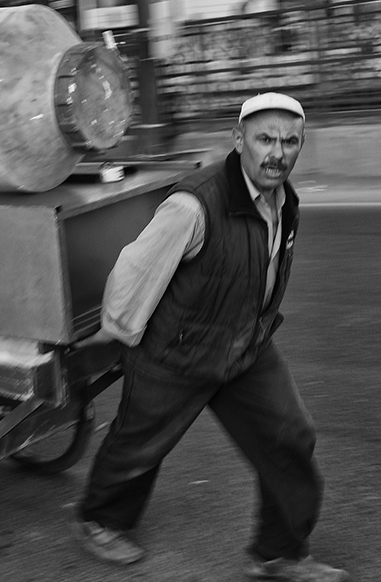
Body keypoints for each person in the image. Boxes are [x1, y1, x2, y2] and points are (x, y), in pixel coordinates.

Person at [75, 92, 347, 582]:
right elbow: (134, 273)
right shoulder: (193, 205)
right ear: (238, 139)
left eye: (289, 142)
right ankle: (102, 519)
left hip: (245, 344)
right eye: (265, 139)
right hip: (176, 351)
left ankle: (278, 552)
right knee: (139, 444)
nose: (277, 153)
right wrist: (118, 337)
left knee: (290, 435)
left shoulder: (284, 200)